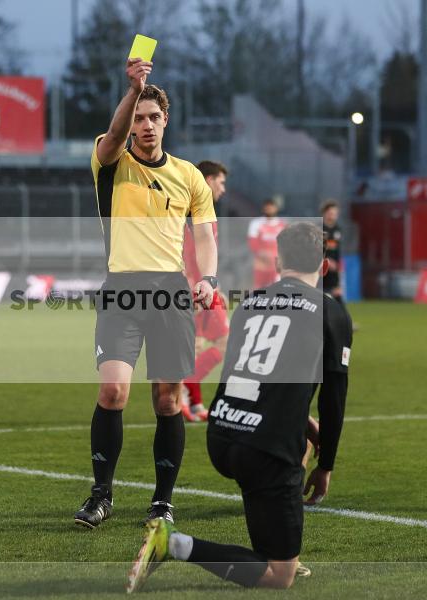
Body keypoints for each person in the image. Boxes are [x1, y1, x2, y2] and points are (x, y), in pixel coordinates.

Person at [127, 222, 353, 591]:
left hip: (222, 433)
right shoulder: (329, 311)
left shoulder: (251, 302)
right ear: (325, 267)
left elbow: (246, 376)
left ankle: (277, 542)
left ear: (277, 263)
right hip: (264, 449)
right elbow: (333, 398)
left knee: (293, 442)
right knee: (280, 576)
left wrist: (304, 423)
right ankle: (173, 543)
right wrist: (326, 465)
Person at [73, 57, 218, 529]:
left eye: (154, 116)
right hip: (121, 290)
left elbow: (206, 236)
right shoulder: (111, 161)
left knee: (168, 402)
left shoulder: (190, 176)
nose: (146, 125)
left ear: (166, 120)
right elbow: (113, 134)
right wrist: (134, 89)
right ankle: (101, 495)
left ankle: (162, 501)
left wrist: (209, 278)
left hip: (171, 292)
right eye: (139, 117)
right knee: (112, 390)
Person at [180, 160, 229, 422]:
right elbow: (184, 253)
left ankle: (192, 400)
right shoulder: (191, 211)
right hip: (196, 290)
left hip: (206, 287)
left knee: (200, 345)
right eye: (221, 182)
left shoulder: (204, 210)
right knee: (209, 344)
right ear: (208, 181)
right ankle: (181, 396)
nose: (223, 189)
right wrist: (190, 289)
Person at [247, 198, 286, 289]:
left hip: (276, 266)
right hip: (261, 265)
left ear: (276, 208)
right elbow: (252, 243)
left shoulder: (282, 225)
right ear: (263, 209)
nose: (269, 210)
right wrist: (263, 254)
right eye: (267, 208)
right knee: (259, 290)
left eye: (271, 207)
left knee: (276, 289)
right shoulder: (256, 223)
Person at [321, 200, 344, 303]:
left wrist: (339, 265)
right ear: (324, 213)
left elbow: (337, 251)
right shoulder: (318, 229)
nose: (333, 216)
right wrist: (326, 260)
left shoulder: (337, 229)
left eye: (335, 214)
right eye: (331, 213)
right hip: (321, 271)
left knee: (337, 299)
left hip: (333, 272)